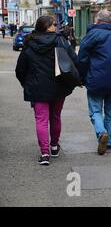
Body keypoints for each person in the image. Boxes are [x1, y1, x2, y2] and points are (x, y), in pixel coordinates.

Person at [15, 15, 79, 165]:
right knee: (55, 117)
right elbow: (74, 60)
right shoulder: (60, 40)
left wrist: (27, 84)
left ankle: (45, 154)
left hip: (37, 88)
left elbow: (20, 70)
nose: (56, 26)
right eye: (54, 24)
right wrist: (77, 79)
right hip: (59, 86)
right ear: (47, 27)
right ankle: (54, 146)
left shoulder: (29, 43)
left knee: (41, 120)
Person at [78, 10, 111, 155]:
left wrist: (81, 77)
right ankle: (109, 141)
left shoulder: (92, 35)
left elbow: (82, 59)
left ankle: (101, 132)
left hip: (95, 79)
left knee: (95, 110)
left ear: (97, 21)